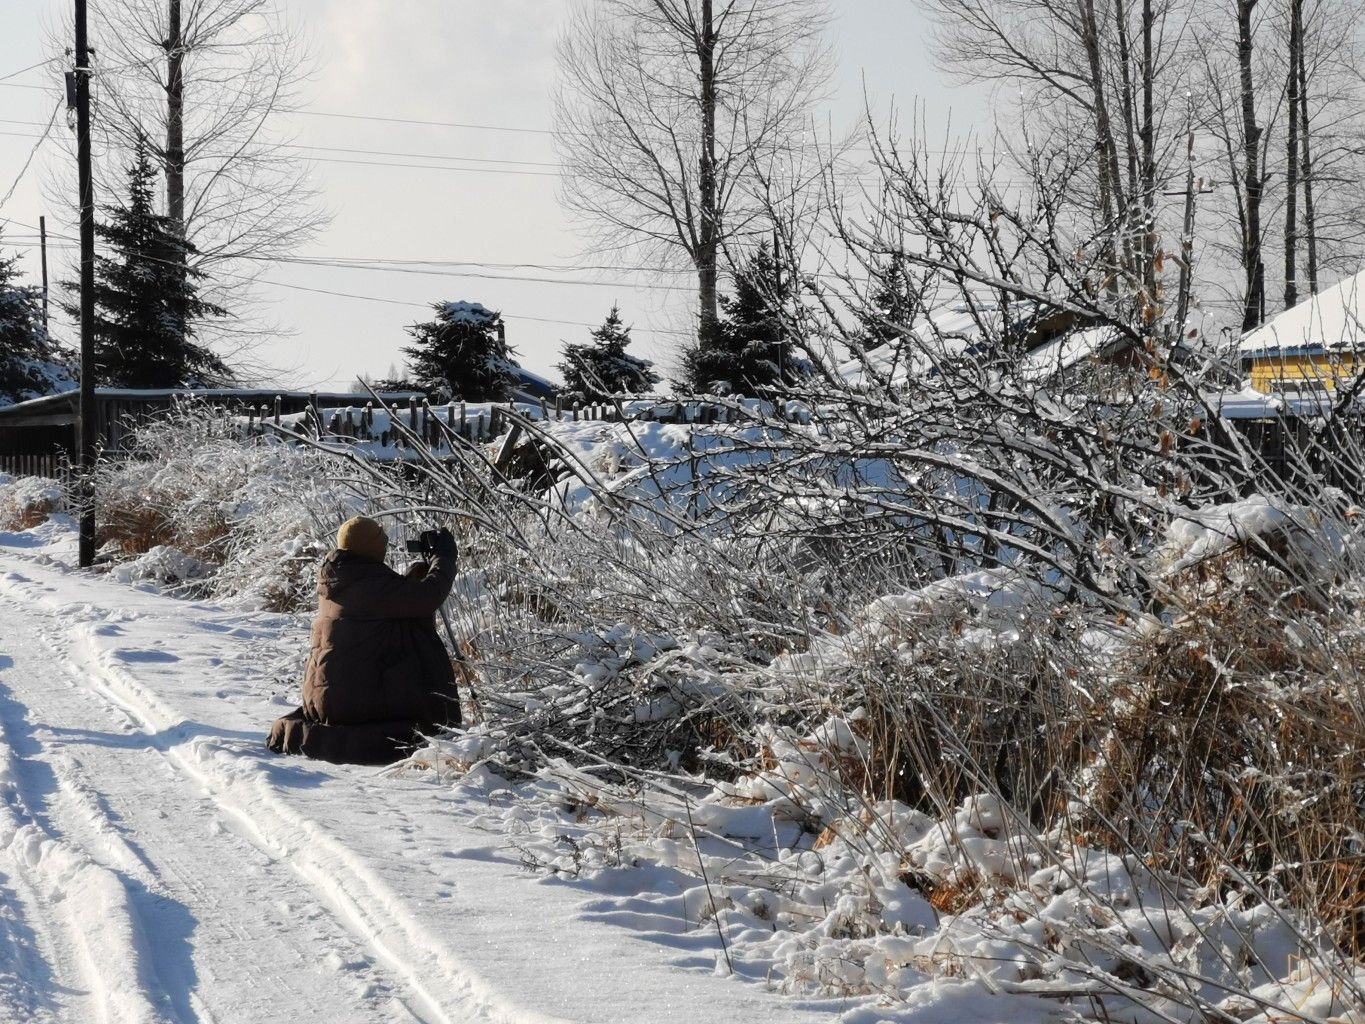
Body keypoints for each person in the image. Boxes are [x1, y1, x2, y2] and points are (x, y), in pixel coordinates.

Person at [266, 516, 461, 765]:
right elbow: (429, 596)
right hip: (354, 706)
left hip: (327, 700)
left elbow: (385, 602)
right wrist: (444, 559)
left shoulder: (338, 577)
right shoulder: (369, 583)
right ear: (372, 548)